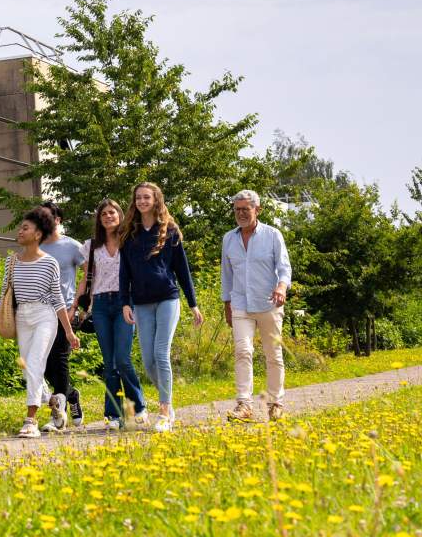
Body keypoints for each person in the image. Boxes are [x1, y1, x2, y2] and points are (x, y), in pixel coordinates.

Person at [0, 209, 80, 439]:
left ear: (38, 234)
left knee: (36, 363)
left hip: (45, 316)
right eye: (21, 228)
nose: (20, 231)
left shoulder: (50, 263)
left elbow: (57, 298)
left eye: (25, 228)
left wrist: (68, 331)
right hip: (22, 317)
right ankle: (54, 401)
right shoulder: (12, 261)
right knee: (28, 369)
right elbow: (3, 294)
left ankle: (31, 420)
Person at [118, 182, 203, 433]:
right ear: (134, 202)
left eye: (147, 197)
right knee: (147, 360)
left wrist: (193, 304)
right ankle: (169, 401)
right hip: (141, 303)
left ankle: (164, 411)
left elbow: (183, 270)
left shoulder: (170, 231)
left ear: (156, 200)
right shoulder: (129, 233)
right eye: (138, 198)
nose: (142, 201)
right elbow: (124, 273)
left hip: (168, 298)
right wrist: (125, 302)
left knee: (160, 353)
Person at [220, 190, 293, 422]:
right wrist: (227, 305)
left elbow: (284, 268)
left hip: (269, 303)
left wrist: (281, 288)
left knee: (273, 354)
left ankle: (276, 403)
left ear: (257, 210)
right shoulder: (229, 239)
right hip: (240, 303)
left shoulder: (273, 235)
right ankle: (244, 405)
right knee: (243, 351)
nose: (241, 213)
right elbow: (227, 275)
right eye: (237, 209)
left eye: (246, 209)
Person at [75, 198, 146, 430]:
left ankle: (138, 408)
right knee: (109, 363)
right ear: (99, 218)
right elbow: (86, 279)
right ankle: (113, 415)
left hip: (126, 302)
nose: (108, 216)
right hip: (102, 306)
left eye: (112, 212)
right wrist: (75, 306)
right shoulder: (90, 246)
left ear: (120, 215)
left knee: (123, 359)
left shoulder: (130, 241)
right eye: (104, 213)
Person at [36, 201, 86, 431]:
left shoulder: (72, 246)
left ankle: (59, 416)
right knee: (44, 364)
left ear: (58, 220)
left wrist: (77, 304)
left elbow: (89, 273)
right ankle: (71, 394)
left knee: (60, 358)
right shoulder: (35, 246)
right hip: (39, 312)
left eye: (49, 216)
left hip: (65, 310)